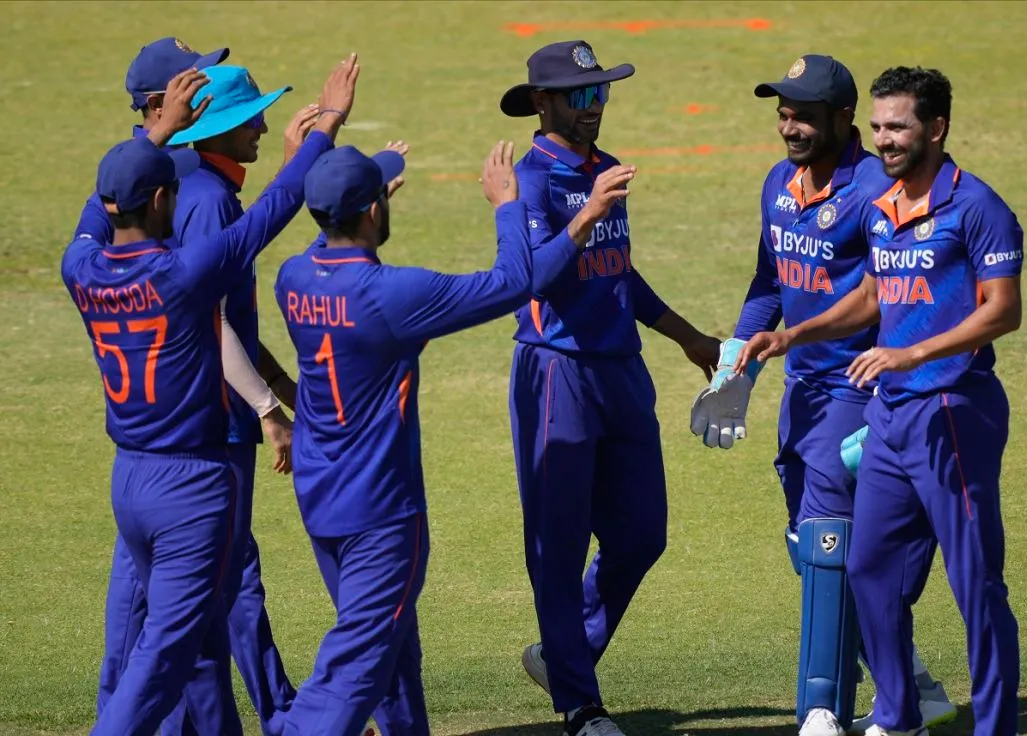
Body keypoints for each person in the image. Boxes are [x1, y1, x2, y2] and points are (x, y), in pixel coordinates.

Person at [62, 54, 355, 736]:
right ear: (162, 201)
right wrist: (328, 124)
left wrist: (153, 136)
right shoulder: (185, 275)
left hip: (128, 475)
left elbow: (89, 214)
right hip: (193, 480)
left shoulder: (79, 267)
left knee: (190, 647)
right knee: (172, 650)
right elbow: (278, 209)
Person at [736, 66, 1024, 736]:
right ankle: (900, 714)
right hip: (891, 412)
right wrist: (791, 333)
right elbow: (871, 295)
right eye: (879, 127)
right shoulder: (886, 204)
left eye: (898, 127)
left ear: (937, 128)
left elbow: (1003, 312)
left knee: (976, 582)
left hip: (951, 407)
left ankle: (995, 726)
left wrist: (911, 354)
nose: (885, 140)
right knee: (866, 569)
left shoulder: (976, 206)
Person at [689, 56, 957, 736]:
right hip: (804, 387)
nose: (790, 127)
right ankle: (912, 683)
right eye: (782, 113)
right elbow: (767, 283)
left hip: (862, 386)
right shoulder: (778, 185)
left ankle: (821, 711)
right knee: (810, 547)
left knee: (828, 539)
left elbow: (888, 295)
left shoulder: (877, 188)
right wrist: (737, 373)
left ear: (845, 118)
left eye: (804, 114)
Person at [273, 138, 547, 736]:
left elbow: (332, 243)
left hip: (321, 499)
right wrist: (507, 204)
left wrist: (361, 205)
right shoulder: (393, 295)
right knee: (358, 667)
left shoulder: (292, 277)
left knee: (390, 647)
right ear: (373, 211)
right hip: (381, 512)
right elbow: (514, 280)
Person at [499, 39, 720, 736]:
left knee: (641, 534)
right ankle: (580, 706)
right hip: (555, 372)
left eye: (601, 94)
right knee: (557, 546)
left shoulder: (600, 170)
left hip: (621, 371)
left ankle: (566, 654)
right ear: (543, 103)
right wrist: (588, 212)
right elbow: (532, 276)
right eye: (581, 96)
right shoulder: (530, 181)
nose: (595, 109)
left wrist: (686, 335)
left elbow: (617, 269)